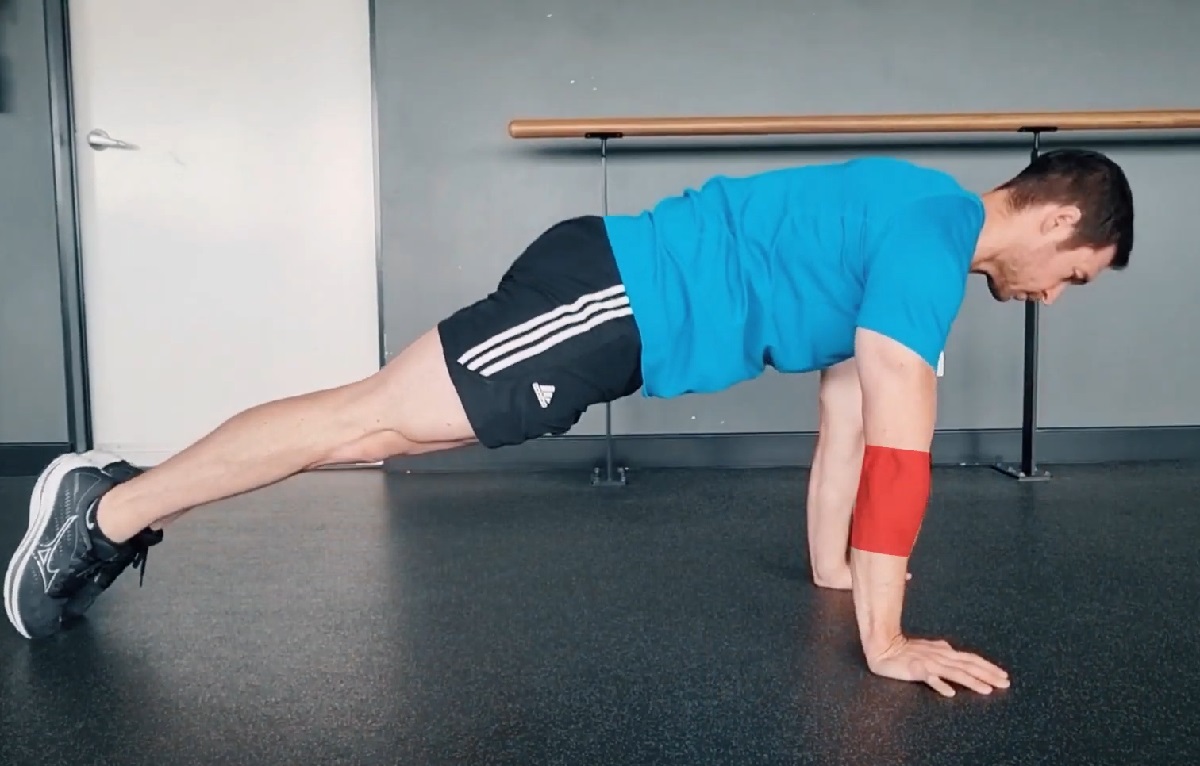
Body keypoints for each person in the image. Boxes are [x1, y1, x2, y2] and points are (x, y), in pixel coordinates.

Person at [4, 149, 1132, 697]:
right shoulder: (929, 243)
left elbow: (846, 416)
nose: (1057, 295)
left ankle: (112, 499)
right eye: (1077, 276)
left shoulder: (919, 230)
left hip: (611, 315)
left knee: (376, 434)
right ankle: (104, 508)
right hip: (606, 301)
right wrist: (886, 644)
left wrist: (842, 577)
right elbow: (898, 442)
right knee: (367, 420)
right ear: (1062, 223)